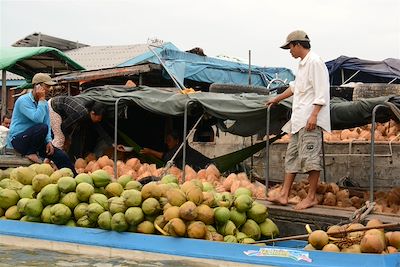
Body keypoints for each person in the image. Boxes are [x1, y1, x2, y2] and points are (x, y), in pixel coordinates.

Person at [266, 30, 331, 210]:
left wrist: (314, 115)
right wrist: (276, 98)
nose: (290, 52)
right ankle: (284, 194)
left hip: (310, 120)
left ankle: (311, 197)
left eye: (290, 48)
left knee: (310, 158)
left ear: (297, 44)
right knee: (292, 157)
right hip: (298, 121)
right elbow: (295, 88)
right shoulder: (303, 64)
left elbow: (322, 91)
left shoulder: (315, 62)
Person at [6, 73, 76, 174]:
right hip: (18, 141)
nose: (49, 89)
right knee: (41, 127)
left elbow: (47, 123)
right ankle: (31, 153)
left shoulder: (43, 104)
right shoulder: (23, 101)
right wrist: (42, 99)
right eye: (46, 86)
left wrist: (48, 141)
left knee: (61, 155)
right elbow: (38, 119)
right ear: (37, 86)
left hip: (35, 141)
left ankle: (75, 177)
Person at [140, 130, 212, 171]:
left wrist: (150, 151)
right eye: (166, 140)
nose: (167, 143)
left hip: (208, 166)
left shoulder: (181, 148)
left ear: (177, 141)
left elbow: (167, 157)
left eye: (169, 140)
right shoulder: (177, 148)